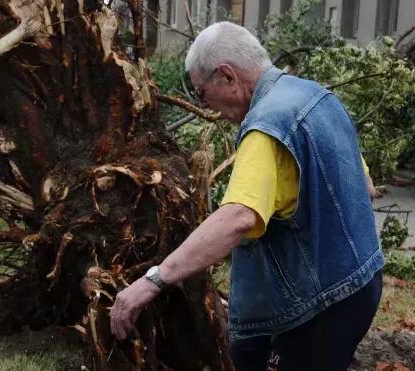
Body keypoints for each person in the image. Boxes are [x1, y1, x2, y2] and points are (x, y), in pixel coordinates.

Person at [110, 21, 384, 371]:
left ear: (227, 76)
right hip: (361, 284)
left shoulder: (266, 127)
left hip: (320, 305)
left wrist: (153, 281)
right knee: (247, 352)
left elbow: (238, 218)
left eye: (201, 93)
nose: (206, 106)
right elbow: (366, 185)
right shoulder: (316, 97)